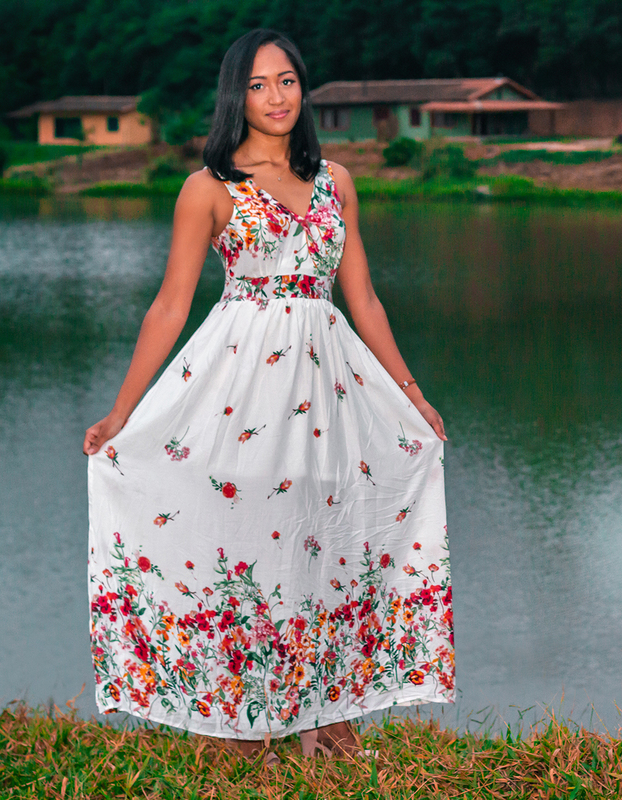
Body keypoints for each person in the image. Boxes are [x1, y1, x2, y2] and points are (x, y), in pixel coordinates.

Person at [82, 28, 454, 764]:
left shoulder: (336, 181)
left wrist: (413, 396)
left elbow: (363, 298)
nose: (276, 97)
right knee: (249, 537)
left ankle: (331, 717)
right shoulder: (209, 188)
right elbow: (170, 306)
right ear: (236, 95)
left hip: (329, 385)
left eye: (287, 80)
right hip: (241, 384)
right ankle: (244, 721)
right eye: (258, 85)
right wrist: (122, 411)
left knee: (331, 536)